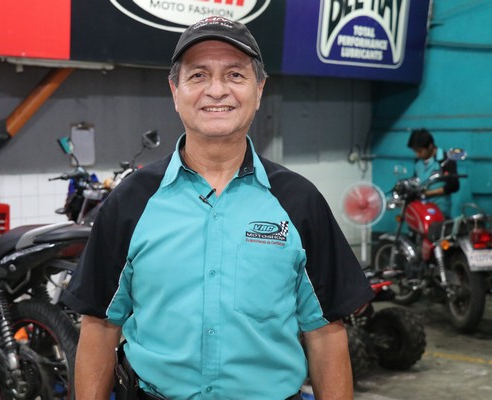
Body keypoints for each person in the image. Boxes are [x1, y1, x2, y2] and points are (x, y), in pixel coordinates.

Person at [61, 16, 374, 400]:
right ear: (175, 91)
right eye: (198, 76)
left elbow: (325, 332)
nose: (216, 90)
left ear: (259, 90)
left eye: (235, 75)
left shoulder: (299, 202)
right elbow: (99, 325)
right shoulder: (131, 202)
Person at [407, 128, 460, 217]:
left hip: (440, 211)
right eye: (415, 151)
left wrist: (428, 194)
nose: (417, 155)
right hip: (421, 210)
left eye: (420, 151)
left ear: (430, 146)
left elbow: (454, 186)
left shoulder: (446, 159)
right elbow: (416, 180)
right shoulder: (418, 161)